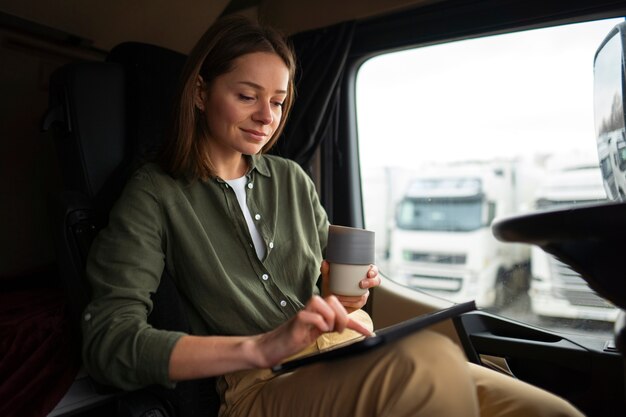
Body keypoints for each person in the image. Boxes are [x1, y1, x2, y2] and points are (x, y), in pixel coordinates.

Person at [81, 15, 585, 417]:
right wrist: (259, 346)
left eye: (278, 102)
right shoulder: (154, 191)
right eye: (246, 96)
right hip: (262, 384)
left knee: (540, 407)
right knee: (429, 365)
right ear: (200, 93)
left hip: (346, 347)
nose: (267, 117)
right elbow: (109, 343)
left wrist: (352, 292)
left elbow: (338, 296)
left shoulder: (293, 180)